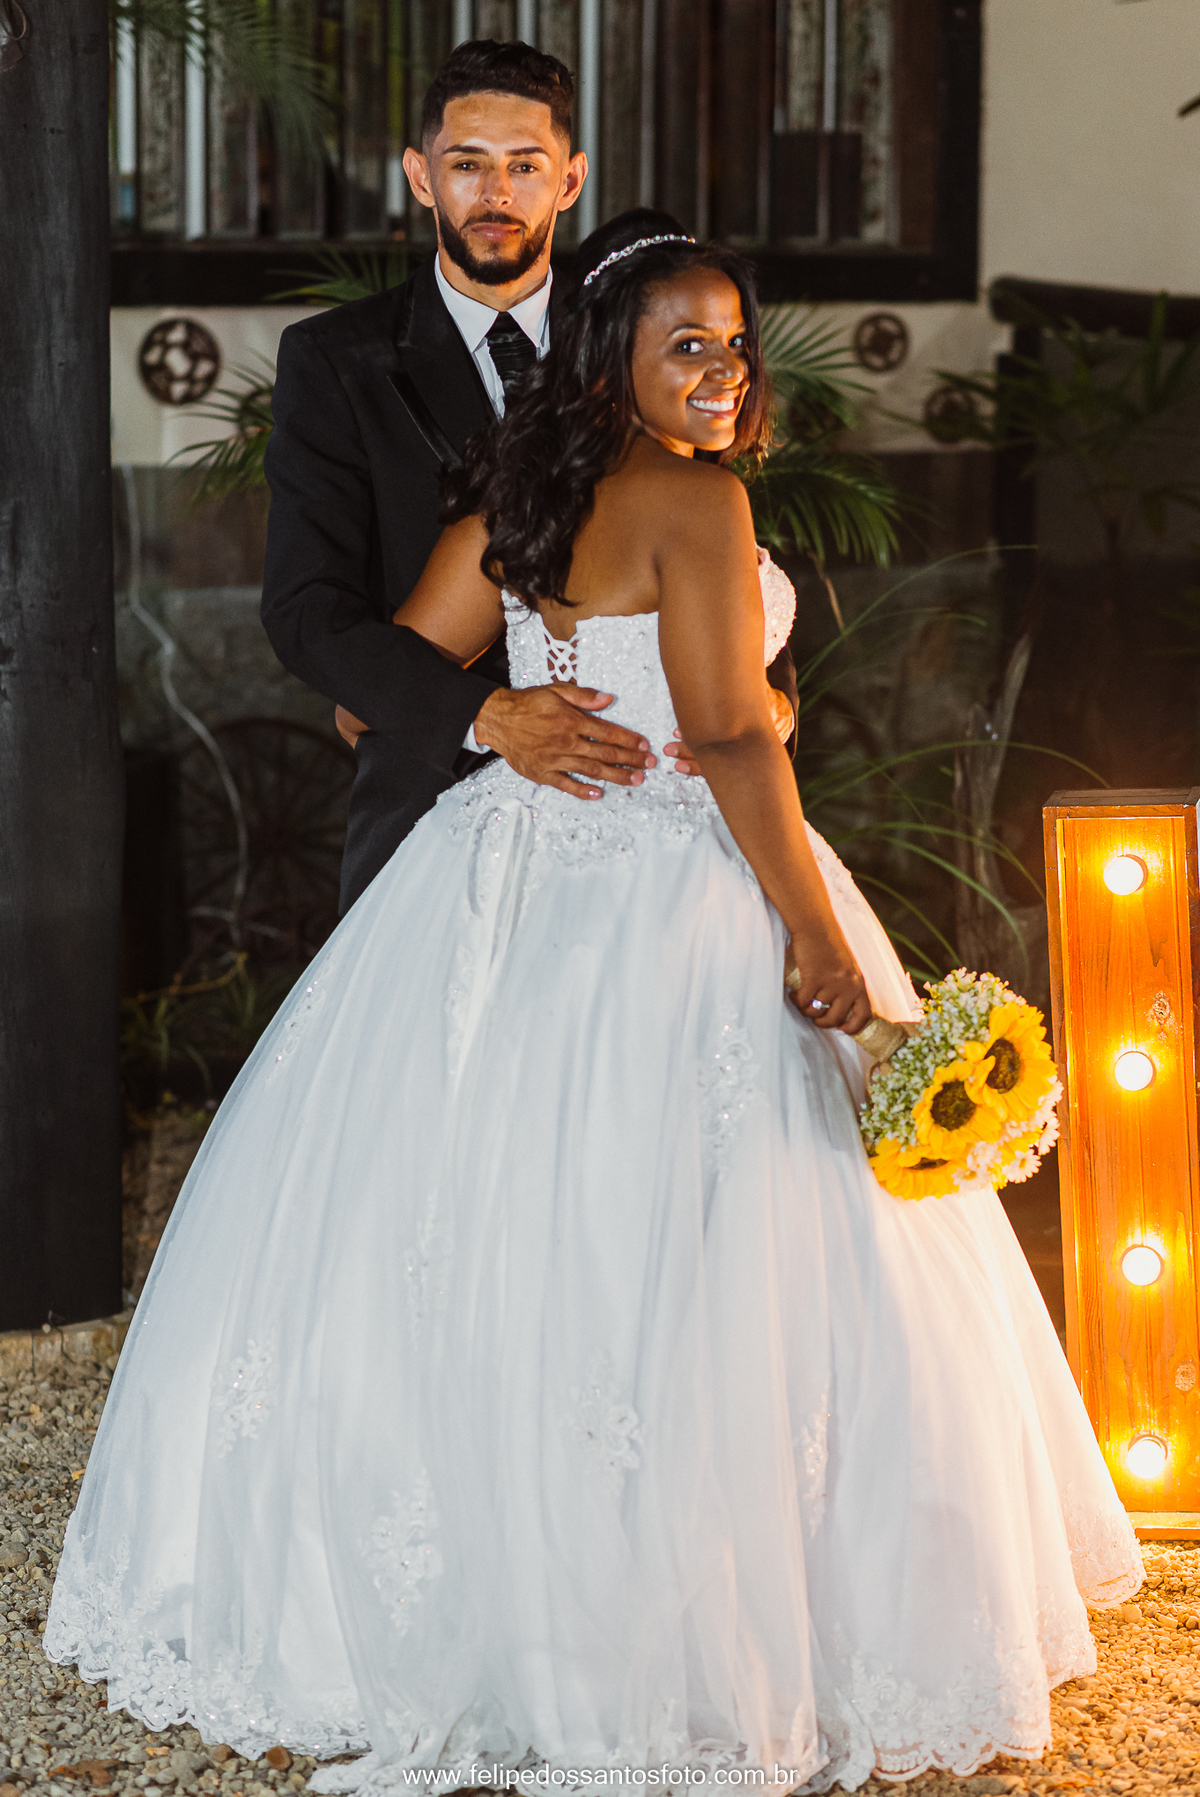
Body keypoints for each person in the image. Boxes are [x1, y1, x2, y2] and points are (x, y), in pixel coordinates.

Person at [45, 213, 1142, 1792]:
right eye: (685, 345)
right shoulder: (700, 499)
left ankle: (483, 1598)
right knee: (701, 1241)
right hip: (688, 878)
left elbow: (381, 686)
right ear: (609, 358)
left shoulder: (523, 489)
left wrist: (501, 718)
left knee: (496, 1225)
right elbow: (732, 739)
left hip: (502, 873)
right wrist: (813, 927)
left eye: (733, 344)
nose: (723, 372)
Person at [260, 38, 797, 914]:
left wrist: (769, 699)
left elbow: (719, 539)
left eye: (525, 166)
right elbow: (306, 610)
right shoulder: (335, 360)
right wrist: (485, 714)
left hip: (654, 824)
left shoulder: (650, 329)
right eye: (467, 164)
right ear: (421, 175)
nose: (497, 194)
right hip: (433, 808)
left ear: (569, 180)